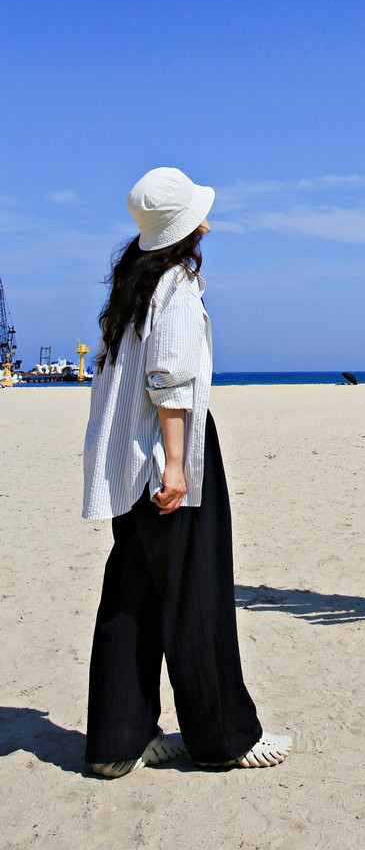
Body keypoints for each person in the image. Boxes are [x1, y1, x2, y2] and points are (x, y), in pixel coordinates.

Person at [82, 168, 291, 778]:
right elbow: (170, 380)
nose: (209, 224)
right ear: (183, 228)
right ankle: (223, 737)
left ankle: (118, 740)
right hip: (168, 452)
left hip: (126, 459)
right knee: (197, 591)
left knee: (131, 593)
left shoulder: (132, 286)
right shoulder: (175, 284)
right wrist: (176, 466)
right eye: (200, 214)